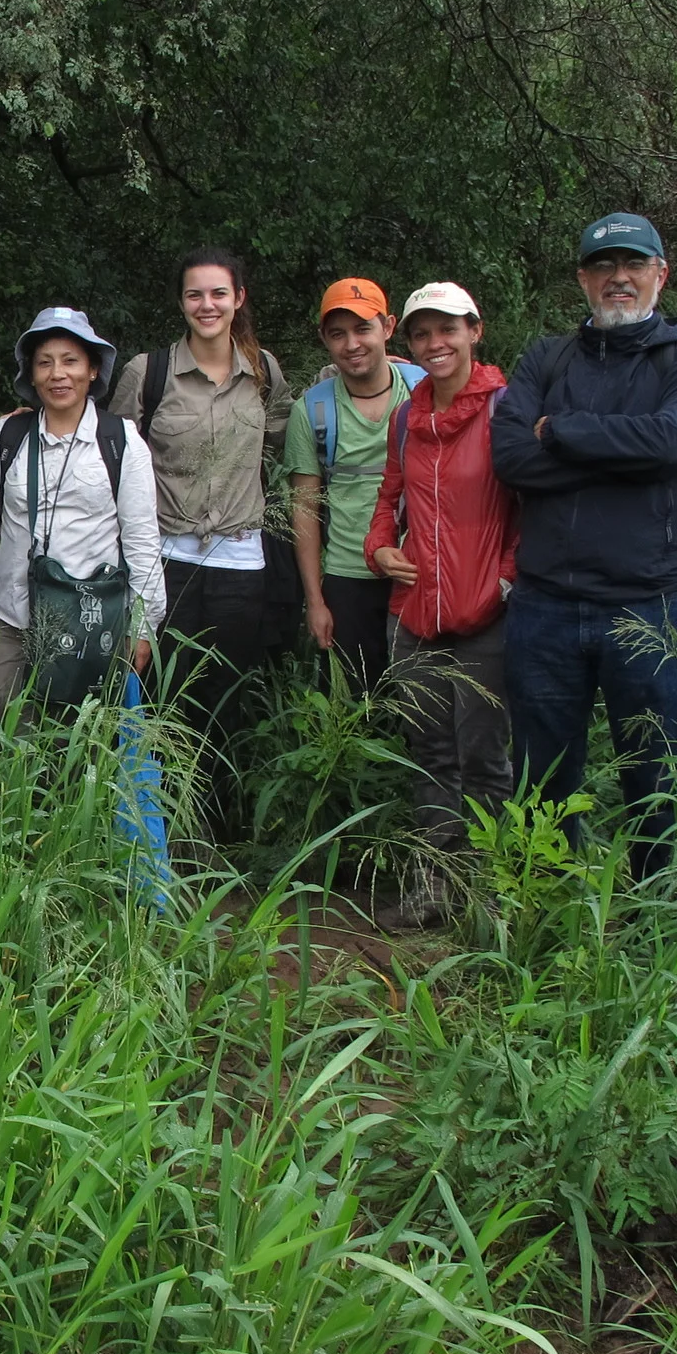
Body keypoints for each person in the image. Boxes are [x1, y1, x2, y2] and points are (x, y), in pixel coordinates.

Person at [491, 213, 677, 878]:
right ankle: (551, 912)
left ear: (661, 274)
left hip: (652, 604)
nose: (619, 278)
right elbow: (511, 456)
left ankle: (658, 925)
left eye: (635, 264)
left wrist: (560, 431)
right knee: (542, 778)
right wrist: (628, 451)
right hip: (547, 606)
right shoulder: (547, 357)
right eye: (603, 266)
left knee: (658, 775)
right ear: (583, 278)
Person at [363, 284, 518, 926]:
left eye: (447, 330)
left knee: (485, 758)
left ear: (474, 331)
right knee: (430, 754)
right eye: (422, 334)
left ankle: (483, 897)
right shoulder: (408, 416)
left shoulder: (505, 409)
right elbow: (386, 500)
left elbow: (527, 513)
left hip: (487, 618)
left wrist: (505, 585)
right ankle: (433, 889)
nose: (435, 344)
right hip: (415, 613)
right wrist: (378, 550)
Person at [106, 247, 290, 781]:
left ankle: (211, 826)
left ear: (238, 298)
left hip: (240, 562)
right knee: (162, 701)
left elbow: (286, 439)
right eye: (194, 294)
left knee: (223, 702)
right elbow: (111, 455)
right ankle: (154, 826)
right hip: (165, 562)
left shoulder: (263, 371)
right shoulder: (149, 373)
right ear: (181, 301)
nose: (206, 305)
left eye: (218, 293)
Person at [0, 309, 164, 716]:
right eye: (45, 362)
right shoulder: (8, 436)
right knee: (1, 740)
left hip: (94, 621)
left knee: (83, 749)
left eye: (70, 361)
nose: (58, 374)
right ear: (31, 375)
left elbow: (142, 541)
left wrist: (143, 627)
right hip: (12, 618)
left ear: (92, 370)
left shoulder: (121, 441)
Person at [283, 279, 426, 691]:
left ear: (388, 327)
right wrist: (316, 601)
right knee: (358, 705)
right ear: (324, 339)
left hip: (420, 570)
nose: (352, 344)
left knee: (425, 702)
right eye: (338, 334)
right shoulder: (312, 410)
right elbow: (305, 511)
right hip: (348, 577)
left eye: (363, 328)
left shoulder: (424, 390)